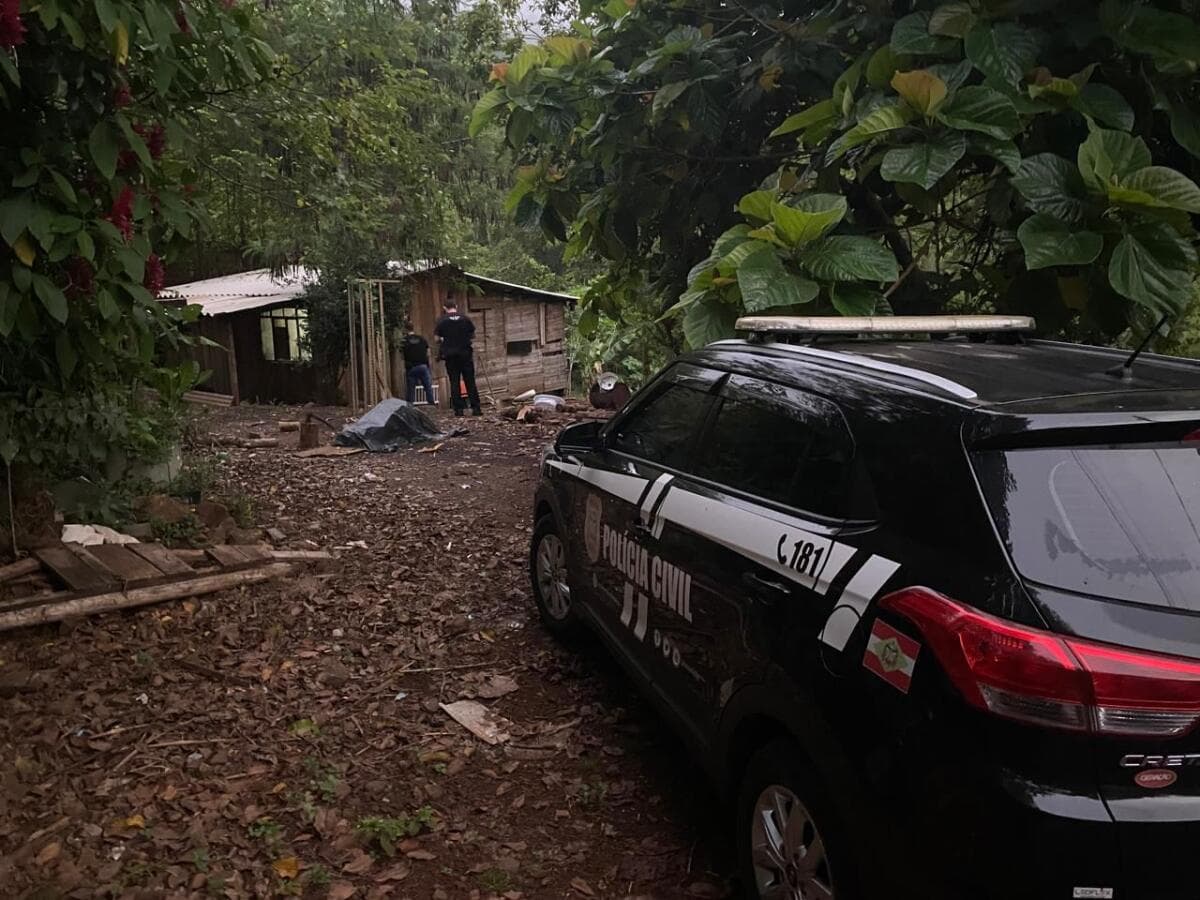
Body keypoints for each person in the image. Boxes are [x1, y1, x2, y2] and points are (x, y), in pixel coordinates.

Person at [434, 298, 481, 416]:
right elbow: (473, 335)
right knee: (470, 381)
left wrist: (445, 339)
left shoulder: (441, 321)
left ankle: (459, 410)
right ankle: (476, 408)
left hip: (451, 356)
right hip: (465, 354)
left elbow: (436, 339)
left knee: (454, 382)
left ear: (444, 308)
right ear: (456, 306)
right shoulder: (465, 319)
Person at [401, 320, 434, 405]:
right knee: (428, 386)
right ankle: (431, 403)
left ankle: (410, 404)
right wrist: (428, 365)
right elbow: (428, 352)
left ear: (405, 329)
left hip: (411, 367)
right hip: (423, 366)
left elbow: (402, 356)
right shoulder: (422, 339)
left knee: (411, 389)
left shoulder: (404, 341)